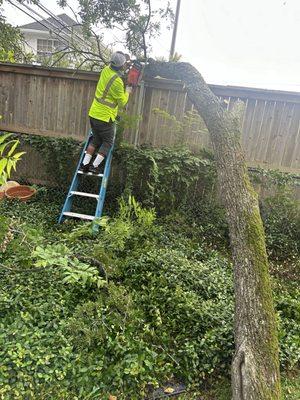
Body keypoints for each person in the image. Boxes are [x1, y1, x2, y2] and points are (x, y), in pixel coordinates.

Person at [80, 51, 132, 174]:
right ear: (121, 66)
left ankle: (84, 164)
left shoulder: (105, 70)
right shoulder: (117, 82)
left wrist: (126, 62)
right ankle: (94, 166)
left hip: (94, 113)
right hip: (105, 117)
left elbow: (119, 67)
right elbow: (122, 103)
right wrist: (128, 91)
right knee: (108, 142)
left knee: (96, 140)